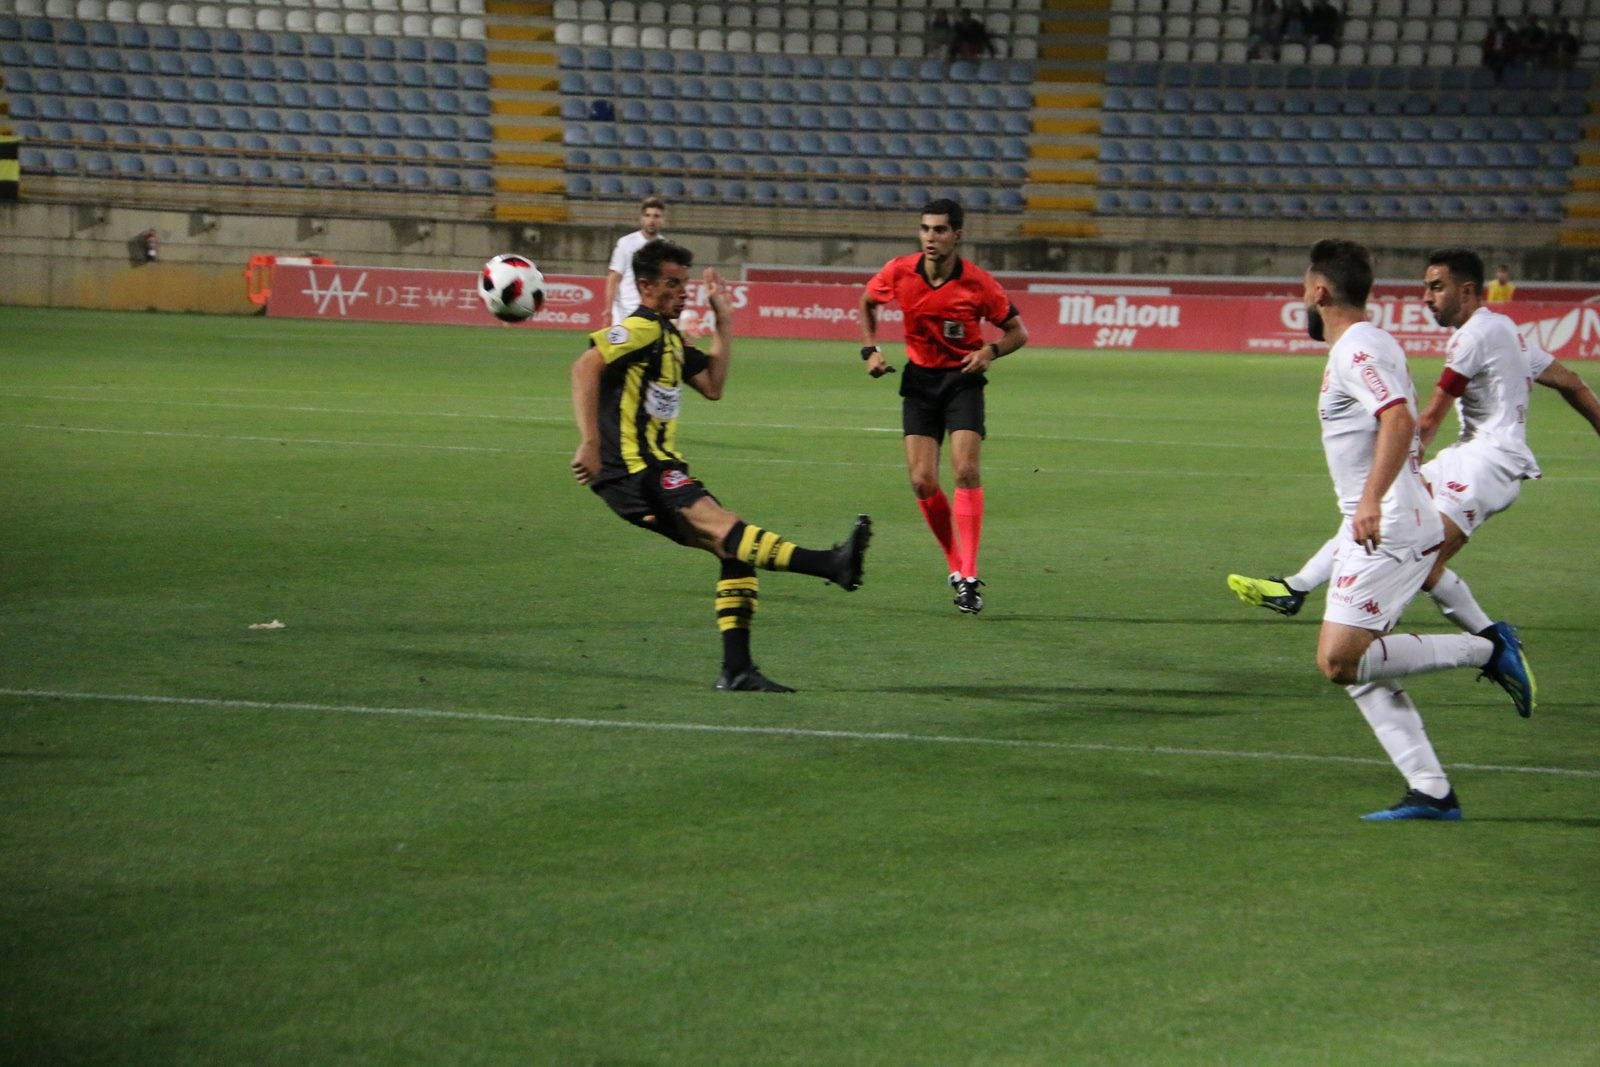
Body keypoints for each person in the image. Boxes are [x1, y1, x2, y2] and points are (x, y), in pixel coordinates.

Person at [1237, 240, 1536, 821]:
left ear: (1320, 291)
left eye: (1304, 287)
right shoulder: (1361, 345)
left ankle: (1487, 648)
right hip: (1377, 527)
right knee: (1359, 667)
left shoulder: (1357, 348)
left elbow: (1397, 416)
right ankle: (1430, 790)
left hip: (1390, 528)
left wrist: (1372, 499)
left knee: (1339, 661)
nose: (1302, 297)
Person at [1230, 248, 1600, 637]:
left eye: (1437, 287)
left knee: (1417, 557)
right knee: (1394, 513)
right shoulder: (1505, 328)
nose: (1426, 297)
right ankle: (1298, 587)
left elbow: (1432, 415)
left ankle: (1487, 642)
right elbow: (1572, 383)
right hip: (1472, 456)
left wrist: (1406, 451)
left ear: (1468, 290)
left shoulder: (1471, 337)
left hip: (1486, 464)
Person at [572, 239, 873, 692]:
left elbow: (712, 384)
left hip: (656, 468)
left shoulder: (669, 337)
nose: (682, 292)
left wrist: (725, 321)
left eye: (685, 283)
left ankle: (737, 670)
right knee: (726, 527)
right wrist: (590, 441)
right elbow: (585, 366)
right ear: (646, 286)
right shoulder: (640, 328)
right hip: (637, 470)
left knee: (731, 550)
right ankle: (831, 564)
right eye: (673, 284)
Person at [857, 198, 1027, 614]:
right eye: (925, 229)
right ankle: (955, 565)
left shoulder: (978, 283)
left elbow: (1018, 333)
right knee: (921, 482)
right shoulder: (900, 271)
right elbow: (867, 301)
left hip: (962, 381)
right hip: (919, 381)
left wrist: (990, 351)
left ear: (957, 235)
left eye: (939, 230)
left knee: (966, 470)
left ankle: (970, 574)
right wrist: (870, 351)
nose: (930, 237)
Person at [604, 196, 666, 327]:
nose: (651, 220)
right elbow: (614, 278)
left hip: (651, 313)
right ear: (641, 218)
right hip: (624, 313)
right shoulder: (626, 243)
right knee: (618, 347)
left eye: (656, 216)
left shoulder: (665, 247)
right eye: (648, 215)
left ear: (663, 220)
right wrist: (608, 311)